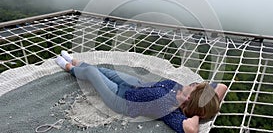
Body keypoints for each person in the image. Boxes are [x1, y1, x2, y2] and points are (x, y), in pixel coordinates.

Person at [55, 51, 227, 133]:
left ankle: (69, 67)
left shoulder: (170, 109)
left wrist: (197, 115)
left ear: (190, 97)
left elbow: (191, 129)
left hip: (120, 99)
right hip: (135, 85)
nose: (194, 82)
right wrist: (206, 105)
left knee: (92, 74)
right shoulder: (184, 90)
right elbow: (222, 87)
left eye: (195, 85)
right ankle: (76, 61)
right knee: (104, 70)